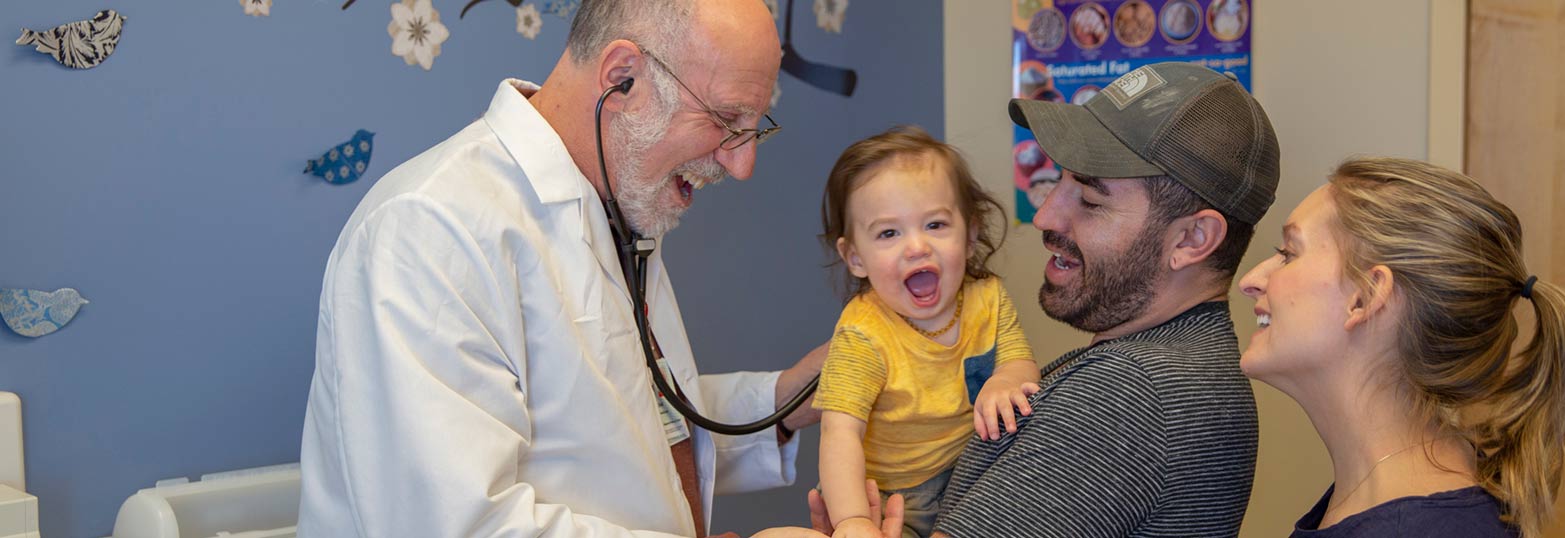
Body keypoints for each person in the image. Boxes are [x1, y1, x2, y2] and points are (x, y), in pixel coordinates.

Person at [297, 1, 887, 536]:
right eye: (725, 120)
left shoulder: (619, 209)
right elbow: (456, 526)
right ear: (621, 77)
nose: (741, 165)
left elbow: (633, 422)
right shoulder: (429, 231)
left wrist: (789, 399)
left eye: (753, 129)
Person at [807, 62, 1278, 536]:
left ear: (1192, 238)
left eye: (1091, 201)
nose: (1046, 215)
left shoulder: (1131, 393)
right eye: (1059, 183)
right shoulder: (1197, 364)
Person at [1236, 157, 1565, 538]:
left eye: (1289, 252)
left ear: (1367, 296)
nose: (1251, 280)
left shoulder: (1418, 525)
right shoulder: (1399, 500)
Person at [811, 127, 1040, 538]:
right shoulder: (863, 333)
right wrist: (853, 520)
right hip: (891, 498)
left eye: (935, 224)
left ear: (969, 236)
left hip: (972, 472)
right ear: (856, 257)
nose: (916, 247)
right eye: (888, 233)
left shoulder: (987, 297)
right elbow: (840, 431)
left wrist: (1007, 380)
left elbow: (1019, 360)